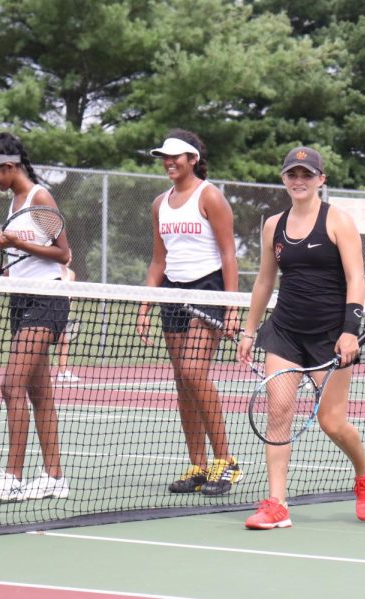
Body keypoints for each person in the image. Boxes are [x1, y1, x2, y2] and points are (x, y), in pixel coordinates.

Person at [237, 146, 365, 529]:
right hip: (284, 332)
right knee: (278, 411)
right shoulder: (273, 226)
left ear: (321, 179)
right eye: (292, 174)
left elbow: (356, 278)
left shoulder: (338, 221)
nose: (299, 181)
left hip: (330, 337)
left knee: (332, 423)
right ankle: (276, 504)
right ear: (284, 179)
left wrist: (350, 331)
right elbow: (265, 281)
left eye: (307, 174)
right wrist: (249, 331)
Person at [135, 129, 243, 496]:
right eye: (164, 156)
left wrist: (232, 308)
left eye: (176, 156)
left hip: (208, 289)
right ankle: (198, 465)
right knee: (182, 381)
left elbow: (229, 254)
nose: (169, 162)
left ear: (193, 159)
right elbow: (158, 259)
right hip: (172, 293)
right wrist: (145, 306)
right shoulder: (158, 203)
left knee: (194, 372)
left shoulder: (210, 196)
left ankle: (225, 462)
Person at [0, 132, 72, 502]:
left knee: (11, 386)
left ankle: (13, 476)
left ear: (10, 166)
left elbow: (62, 254)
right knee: (38, 392)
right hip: (21, 300)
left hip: (48, 300)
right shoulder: (14, 203)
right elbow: (19, 263)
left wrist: (14, 243)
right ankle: (54, 478)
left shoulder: (38, 197)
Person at [56, 262, 80, 383]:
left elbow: (72, 294)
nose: (68, 259)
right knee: (59, 341)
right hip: (53, 310)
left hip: (66, 311)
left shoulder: (71, 274)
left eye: (70, 257)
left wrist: (69, 307)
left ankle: (62, 372)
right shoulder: (54, 272)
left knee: (64, 342)